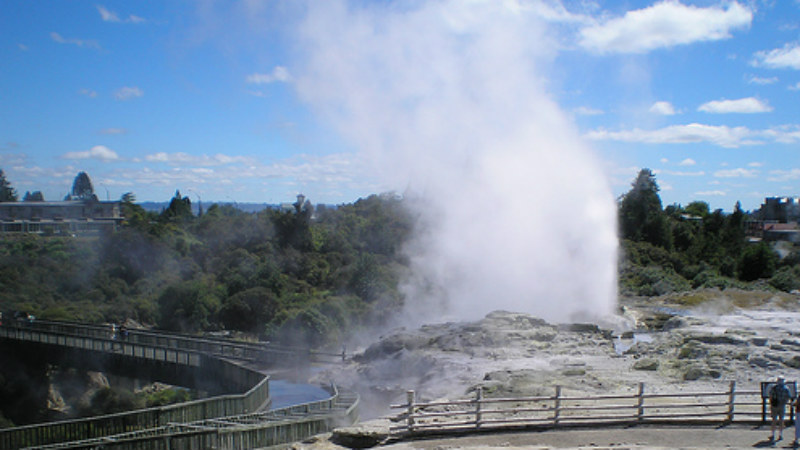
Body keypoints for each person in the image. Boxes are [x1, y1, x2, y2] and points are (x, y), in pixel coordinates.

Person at [770, 376, 791, 441]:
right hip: (782, 405)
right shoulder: (786, 388)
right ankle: (780, 434)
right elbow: (788, 397)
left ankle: (773, 434)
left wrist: (772, 403)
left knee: (774, 420)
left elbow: (770, 396)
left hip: (774, 405)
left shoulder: (774, 388)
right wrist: (784, 402)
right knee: (781, 420)